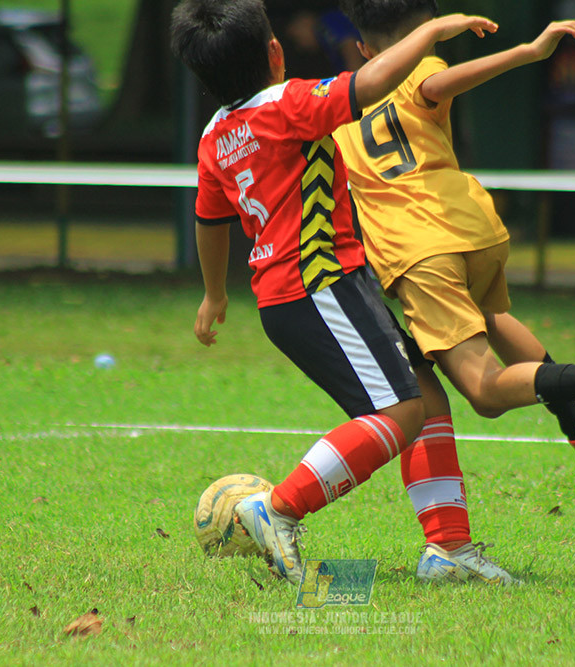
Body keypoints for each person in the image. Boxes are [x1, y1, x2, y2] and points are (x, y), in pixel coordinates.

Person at [171, 0, 513, 585]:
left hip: (292, 296)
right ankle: (277, 508)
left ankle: (449, 549)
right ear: (275, 53)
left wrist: (213, 296)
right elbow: (374, 80)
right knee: (401, 411)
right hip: (321, 285)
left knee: (425, 398)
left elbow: (209, 219)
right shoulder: (290, 104)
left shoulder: (214, 137)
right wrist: (430, 30)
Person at [333, 1, 575, 472]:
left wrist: (528, 52)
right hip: (473, 227)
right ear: (430, 34)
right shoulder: (425, 63)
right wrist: (527, 52)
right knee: (489, 316)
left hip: (419, 252)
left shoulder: (343, 102)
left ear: (363, 48)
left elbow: (434, 83)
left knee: (484, 392)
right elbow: (439, 83)